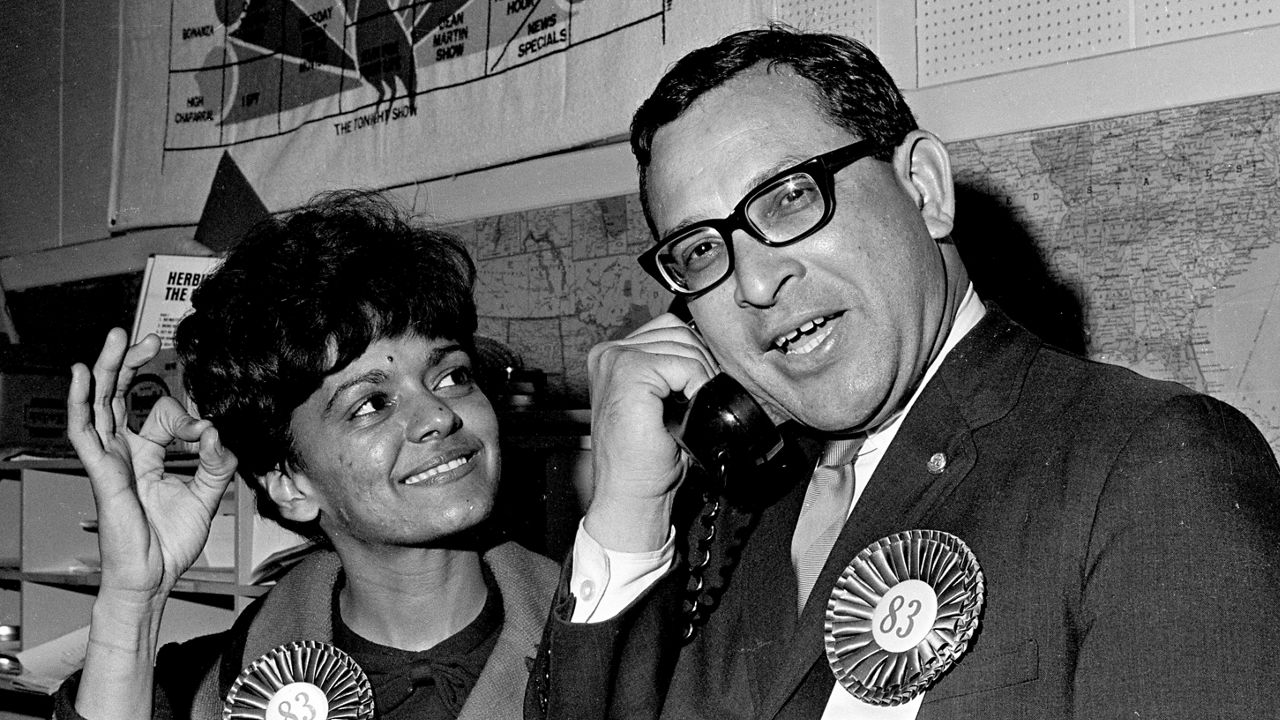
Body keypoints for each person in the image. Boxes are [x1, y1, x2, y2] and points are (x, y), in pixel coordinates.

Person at [525, 25, 1280, 719]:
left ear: (925, 187)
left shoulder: (1149, 461)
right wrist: (626, 512)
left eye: (790, 197)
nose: (753, 284)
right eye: (699, 250)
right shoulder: (715, 512)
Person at [57, 190, 558, 720]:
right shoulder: (212, 688)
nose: (438, 415)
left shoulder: (618, 652)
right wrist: (134, 598)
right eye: (371, 403)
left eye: (452, 376)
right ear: (290, 483)